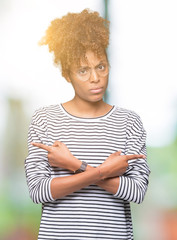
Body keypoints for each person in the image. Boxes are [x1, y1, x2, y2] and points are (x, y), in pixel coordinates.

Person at [24, 9, 150, 240]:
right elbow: (39, 191)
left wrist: (74, 164)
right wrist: (103, 172)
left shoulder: (129, 122)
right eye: (83, 70)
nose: (95, 78)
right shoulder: (45, 119)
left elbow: (137, 191)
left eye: (101, 66)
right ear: (66, 74)